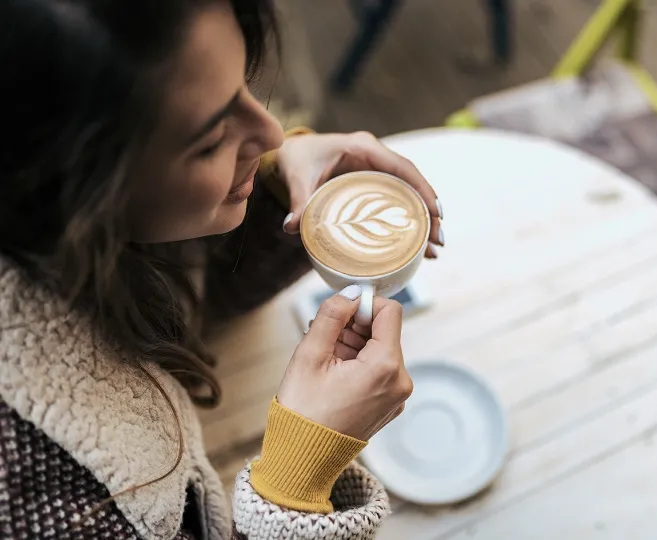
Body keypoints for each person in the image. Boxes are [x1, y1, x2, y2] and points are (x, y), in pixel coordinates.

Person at [0, 0, 445, 538]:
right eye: (212, 139)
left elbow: (193, 300)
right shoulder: (35, 485)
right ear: (74, 189)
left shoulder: (92, 236)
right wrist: (293, 486)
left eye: (245, 86)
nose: (274, 134)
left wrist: (281, 191)